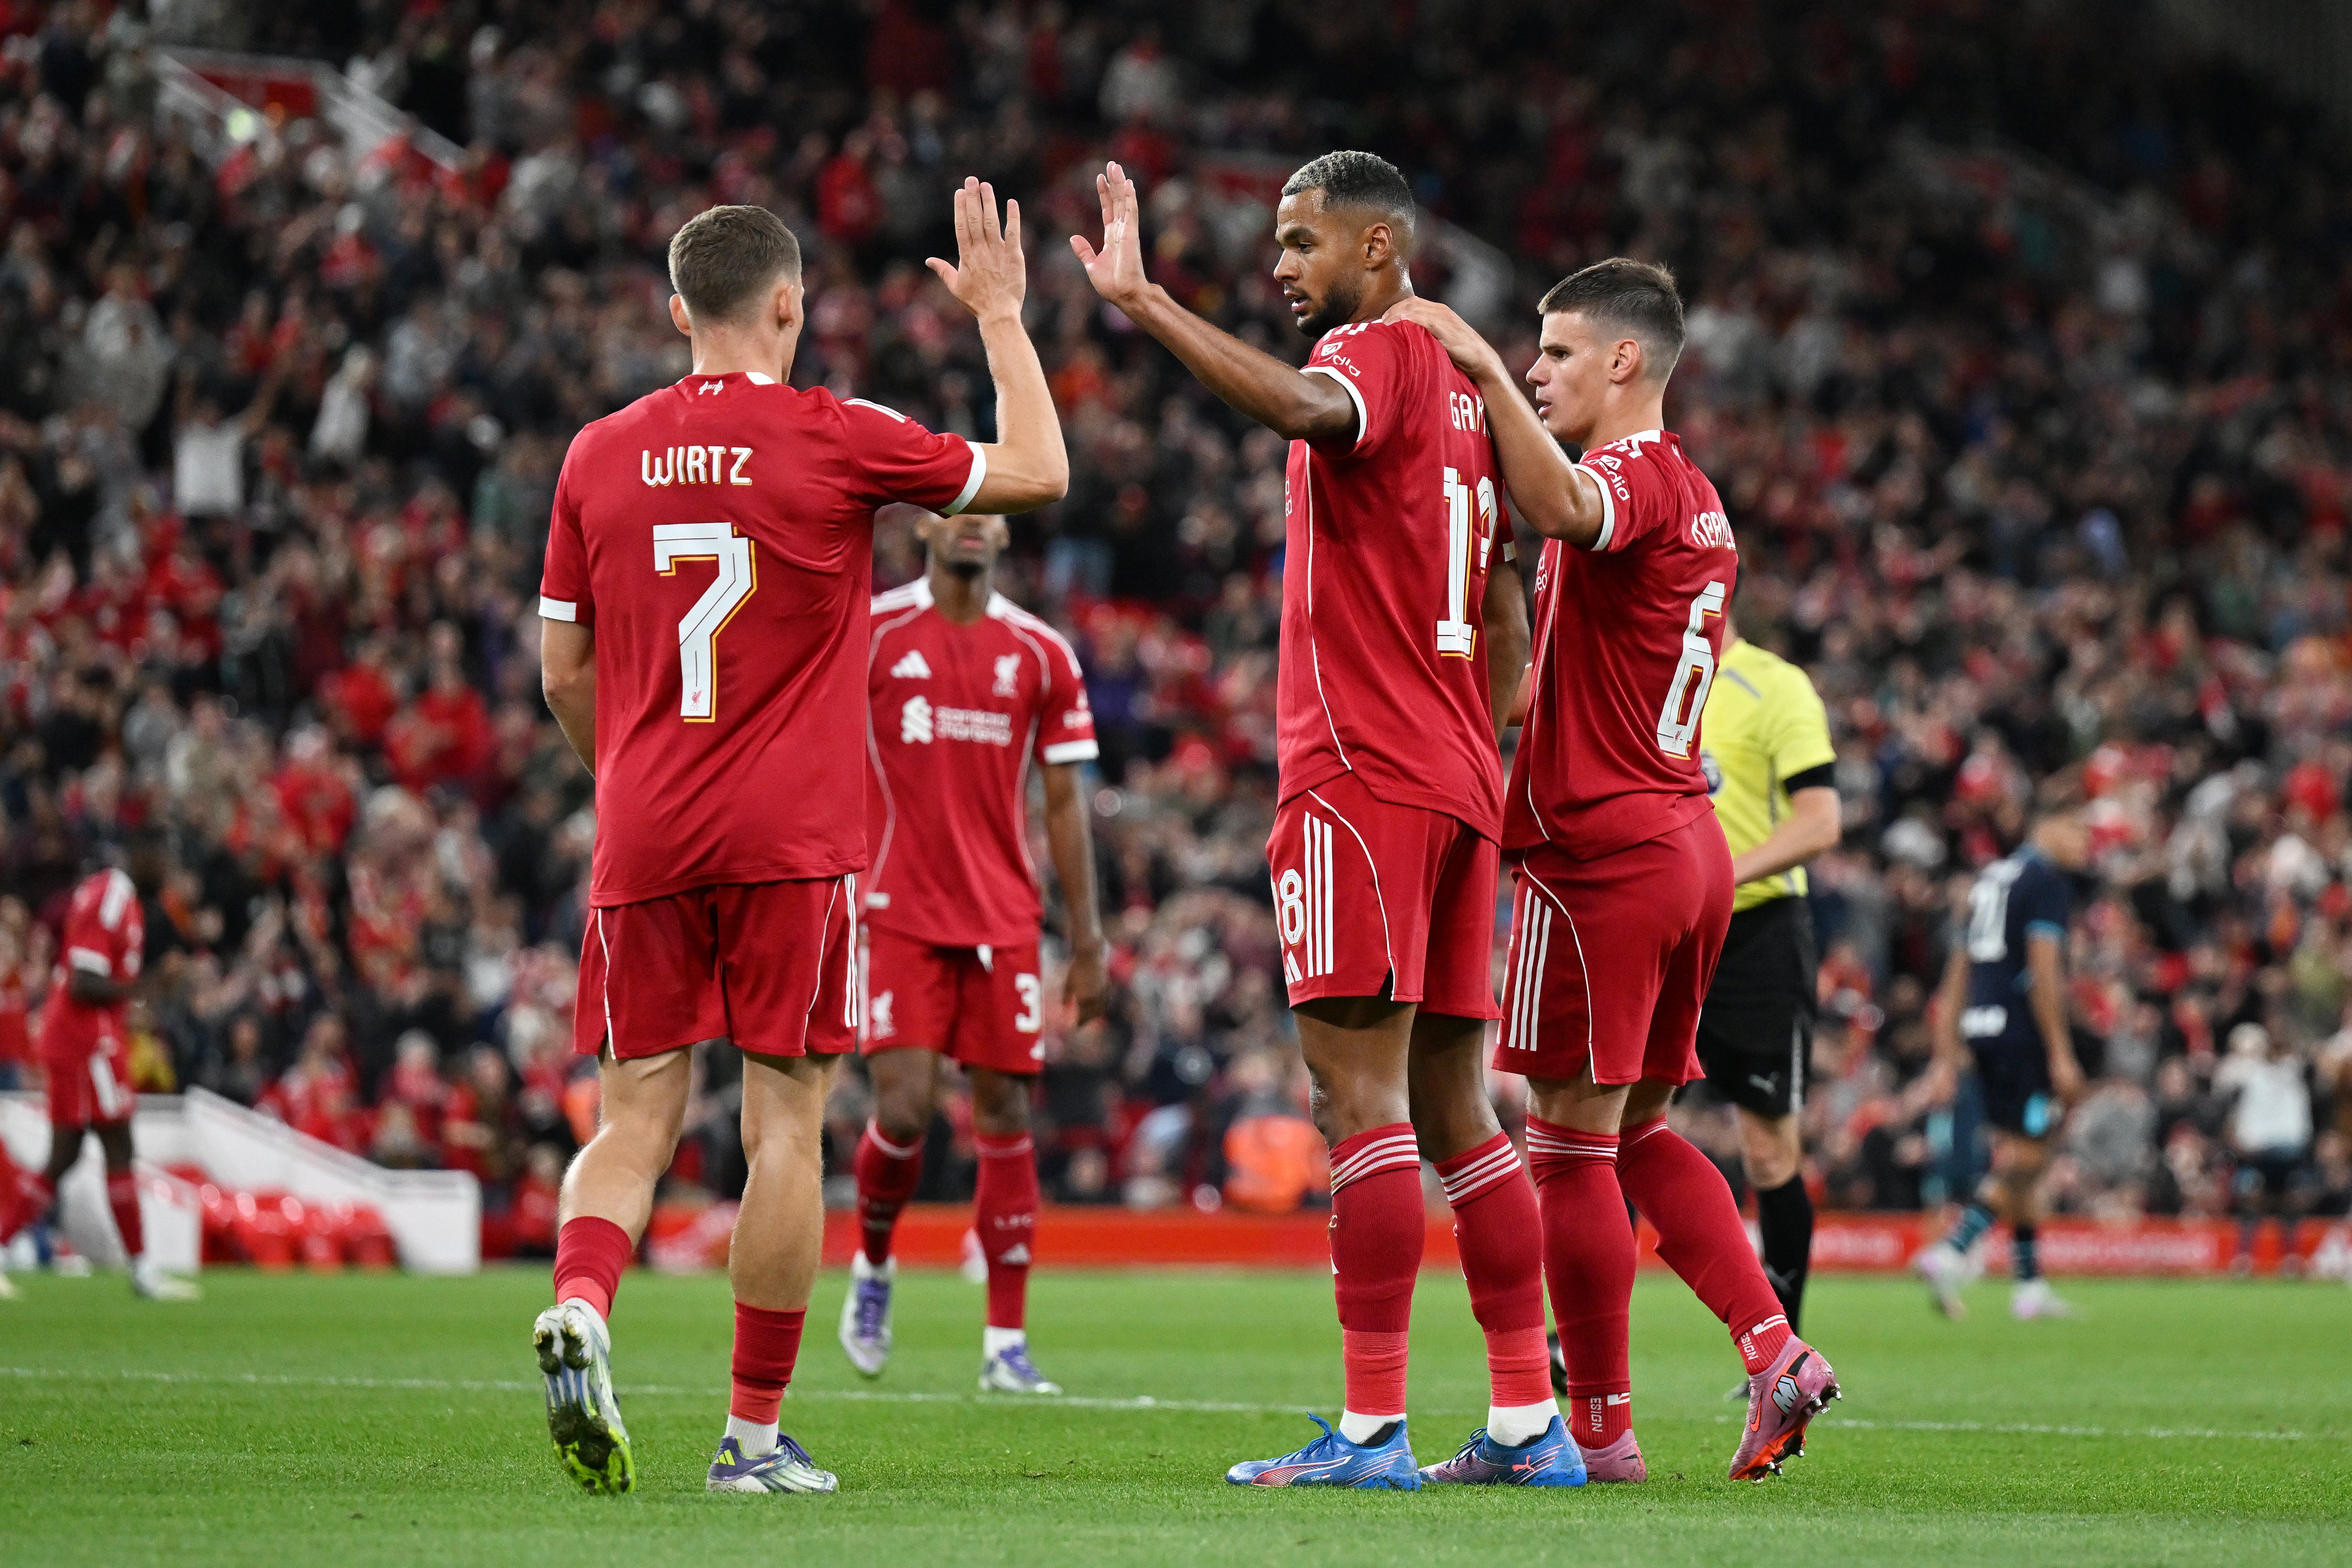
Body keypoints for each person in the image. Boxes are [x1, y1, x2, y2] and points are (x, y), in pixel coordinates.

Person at [532, 186, 1066, 1498]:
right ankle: (753, 1440)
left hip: (645, 826)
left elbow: (559, 666)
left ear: (674, 313)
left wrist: (629, 772)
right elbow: (1041, 471)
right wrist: (999, 315)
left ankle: (583, 1304)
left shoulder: (595, 452)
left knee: (636, 1110)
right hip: (793, 841)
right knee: (785, 1120)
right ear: (788, 305)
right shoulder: (835, 435)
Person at [1073, 155, 1570, 1489]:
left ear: (1377, 245)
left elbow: (1304, 408)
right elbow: (1512, 585)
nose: (1282, 265)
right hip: (1458, 772)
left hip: (1363, 770)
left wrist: (1143, 303)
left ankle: (1368, 1430)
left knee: (1352, 1097)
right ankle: (1527, 1420)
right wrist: (1481, 719)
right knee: (1458, 1108)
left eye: (1302, 241)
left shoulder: (1380, 353)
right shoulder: (1471, 393)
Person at [1389, 260, 1839, 1485]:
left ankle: (1592, 1431)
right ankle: (1772, 1346)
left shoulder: (1630, 479)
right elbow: (1563, 671)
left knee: (1567, 1149)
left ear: (1625, 363)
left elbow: (1572, 511)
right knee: (1637, 1131)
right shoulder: (1699, 499)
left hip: (1601, 852)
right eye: (1529, 354)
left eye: (1556, 352)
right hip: (1682, 841)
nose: (1535, 369)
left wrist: (1473, 366)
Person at [842, 507, 1109, 1393]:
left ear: (1005, 536)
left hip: (1002, 917)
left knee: (1004, 1114)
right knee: (909, 1110)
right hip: (899, 907)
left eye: (990, 514)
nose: (972, 526)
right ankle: (874, 1263)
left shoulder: (1041, 654)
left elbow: (1065, 802)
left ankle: (1005, 1343)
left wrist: (1087, 940)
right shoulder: (873, 635)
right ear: (923, 525)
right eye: (958, 509)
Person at [1913, 802, 2091, 1320]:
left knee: (2023, 1159)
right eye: (2078, 828)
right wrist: (2060, 1052)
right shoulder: (2046, 883)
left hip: (1982, 1030)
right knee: (2030, 1158)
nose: (2086, 842)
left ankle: (2029, 1286)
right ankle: (1953, 1249)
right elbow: (2044, 969)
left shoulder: (1991, 879)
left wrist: (1947, 1052)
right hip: (2022, 1036)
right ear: (2047, 825)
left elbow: (1957, 972)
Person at [6, 836, 198, 1300]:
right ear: (144, 856)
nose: (169, 875)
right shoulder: (110, 898)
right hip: (84, 1042)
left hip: (88, 1039)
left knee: (75, 1151)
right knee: (104, 1144)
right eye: (164, 862)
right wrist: (149, 985)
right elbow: (84, 982)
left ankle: (143, 1270)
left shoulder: (121, 898)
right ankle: (143, 1271)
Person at [2213, 1023, 2313, 1275]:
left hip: (2282, 1147)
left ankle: (2286, 1259)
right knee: (2254, 1204)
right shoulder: (2250, 1071)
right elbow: (2223, 1083)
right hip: (2263, 1149)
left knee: (2286, 1203)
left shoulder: (2294, 1071)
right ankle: (2248, 1259)